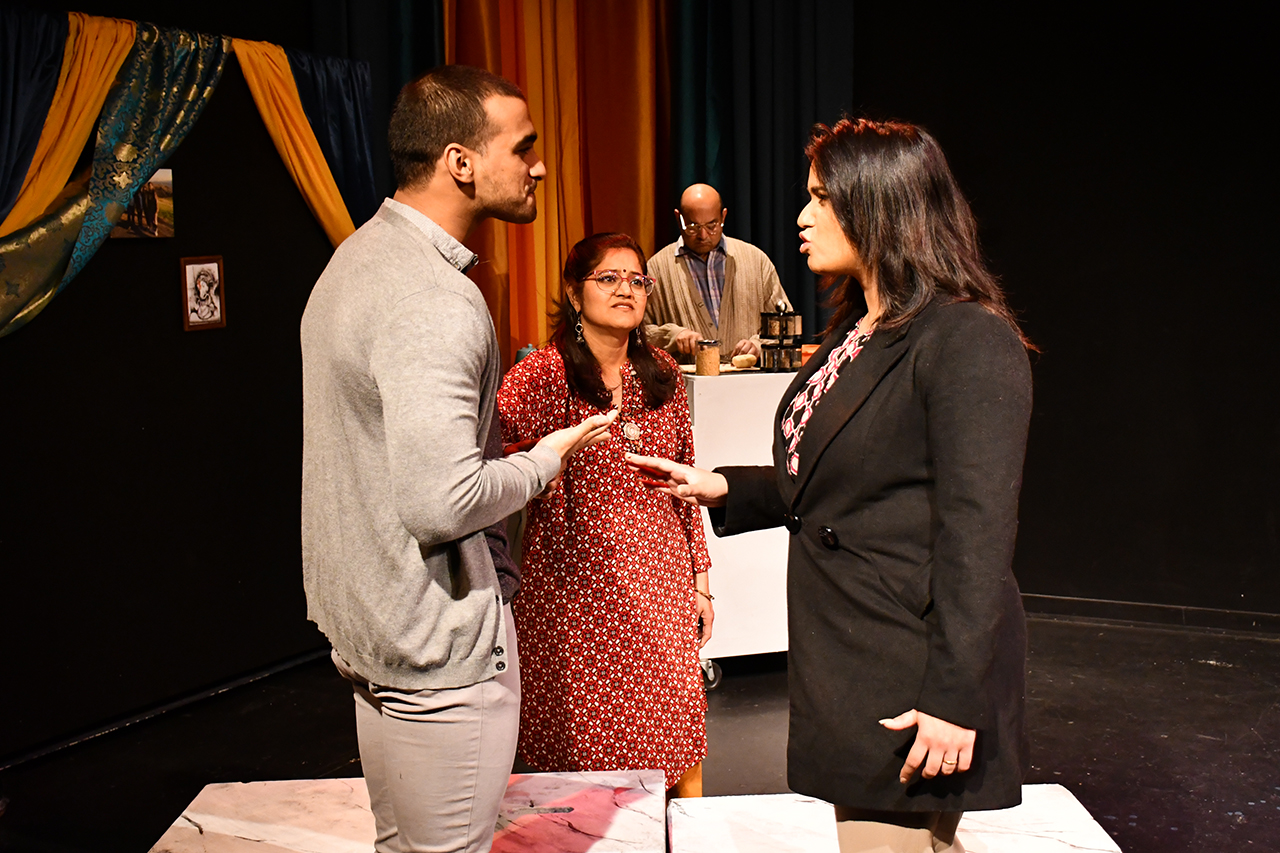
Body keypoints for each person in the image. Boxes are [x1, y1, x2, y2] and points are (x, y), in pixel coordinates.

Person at [627, 118, 1033, 852]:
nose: (802, 216)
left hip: (910, 668)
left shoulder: (965, 338)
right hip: (858, 654)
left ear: (878, 204)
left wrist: (952, 695)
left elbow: (978, 536)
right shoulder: (858, 330)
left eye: (822, 198)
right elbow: (845, 481)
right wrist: (726, 486)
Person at [300, 65, 616, 853]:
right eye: (526, 146)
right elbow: (441, 502)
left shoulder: (355, 258)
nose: (540, 165)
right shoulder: (433, 299)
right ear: (460, 162)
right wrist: (546, 458)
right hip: (436, 654)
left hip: (374, 634)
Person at [497, 232, 713, 798]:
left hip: (660, 588)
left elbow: (685, 476)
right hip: (574, 594)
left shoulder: (663, 373)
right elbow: (494, 468)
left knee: (673, 730)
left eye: (638, 279)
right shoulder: (541, 375)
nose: (626, 289)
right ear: (574, 293)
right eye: (609, 278)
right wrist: (542, 468)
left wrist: (702, 583)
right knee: (581, 749)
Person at [644, 183, 791, 361]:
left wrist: (759, 345)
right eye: (693, 226)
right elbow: (637, 333)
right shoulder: (656, 268)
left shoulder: (756, 261)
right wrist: (671, 336)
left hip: (750, 385)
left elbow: (786, 326)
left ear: (723, 216)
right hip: (687, 387)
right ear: (678, 218)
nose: (703, 235)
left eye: (712, 225)